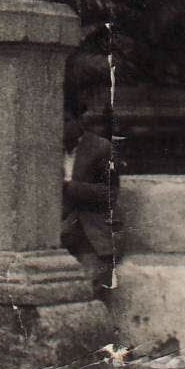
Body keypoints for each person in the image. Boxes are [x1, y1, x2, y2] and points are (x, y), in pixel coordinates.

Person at [62, 112, 119, 302]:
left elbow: (110, 193)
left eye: (66, 119)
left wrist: (70, 187)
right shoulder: (46, 148)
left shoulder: (101, 148)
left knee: (88, 289)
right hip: (59, 231)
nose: (60, 125)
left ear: (79, 121)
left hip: (91, 232)